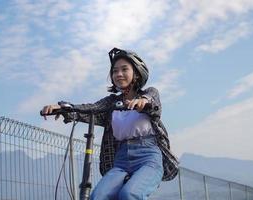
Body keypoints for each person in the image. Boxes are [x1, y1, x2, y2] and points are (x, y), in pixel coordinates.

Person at [41, 47, 179, 200]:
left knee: (129, 194)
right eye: (114, 71)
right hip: (121, 159)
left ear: (137, 72)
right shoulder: (111, 103)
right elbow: (90, 108)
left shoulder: (149, 93)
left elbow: (152, 101)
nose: (118, 74)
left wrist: (143, 102)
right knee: (98, 196)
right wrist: (62, 108)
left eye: (124, 69)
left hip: (148, 156)